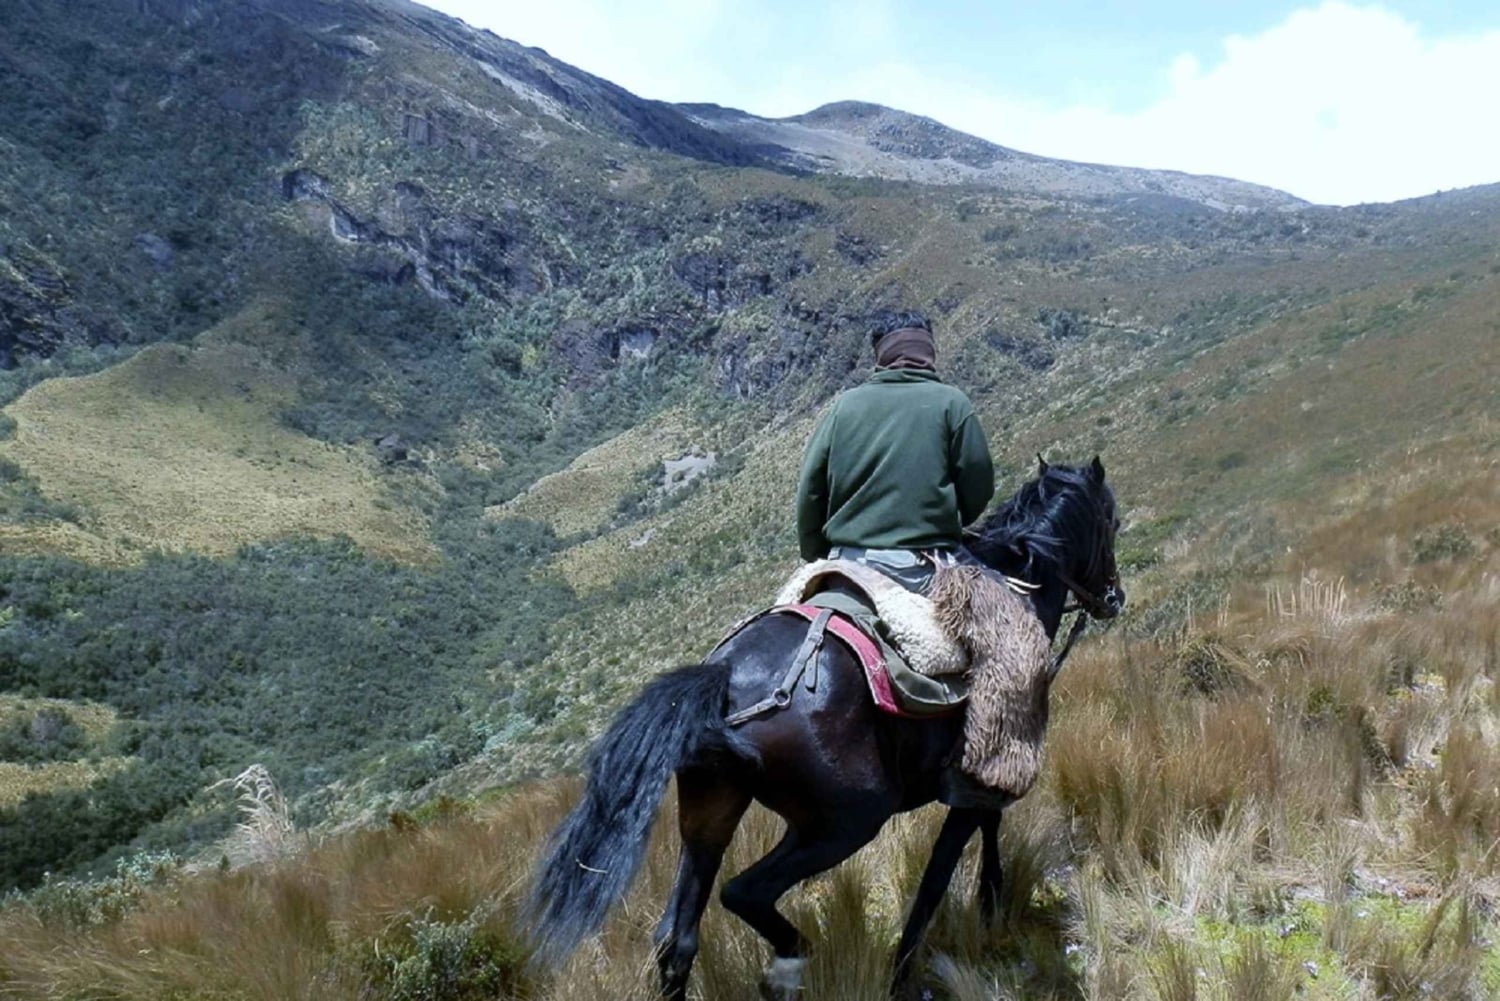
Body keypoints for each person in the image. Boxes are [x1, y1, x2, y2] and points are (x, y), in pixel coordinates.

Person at [795, 310, 994, 592]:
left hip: (846, 562)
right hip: (921, 567)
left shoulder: (844, 406)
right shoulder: (953, 403)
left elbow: (810, 491)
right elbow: (979, 487)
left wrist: (816, 553)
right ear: (929, 352)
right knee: (1011, 617)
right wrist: (945, 522)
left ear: (881, 356)